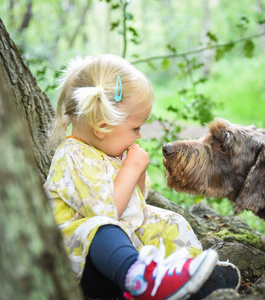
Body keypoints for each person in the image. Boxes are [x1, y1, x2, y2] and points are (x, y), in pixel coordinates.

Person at [44, 54, 240, 300]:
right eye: (135, 128)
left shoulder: (109, 152)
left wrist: (137, 174)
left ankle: (185, 278)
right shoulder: (73, 156)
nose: (138, 136)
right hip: (82, 263)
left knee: (171, 221)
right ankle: (143, 281)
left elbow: (137, 200)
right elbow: (106, 212)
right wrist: (130, 169)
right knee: (103, 229)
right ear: (102, 125)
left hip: (117, 257)